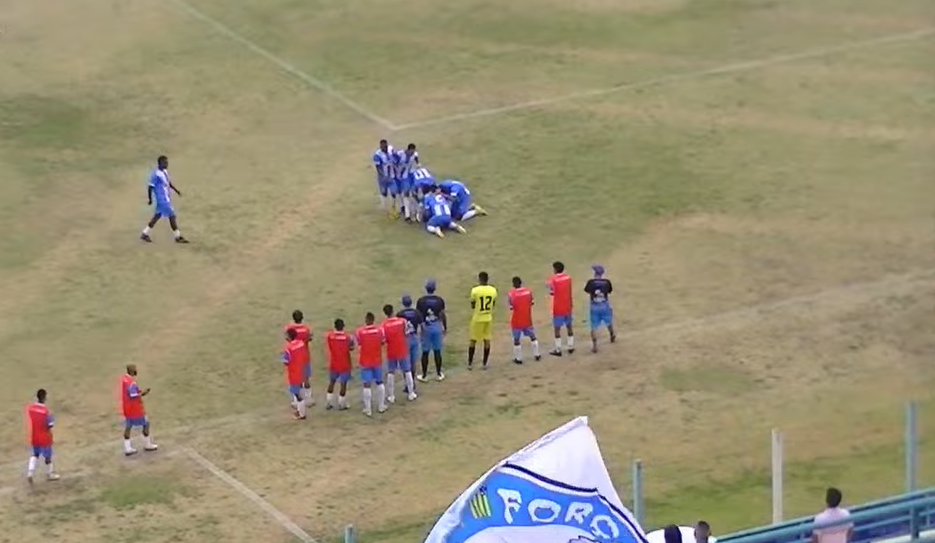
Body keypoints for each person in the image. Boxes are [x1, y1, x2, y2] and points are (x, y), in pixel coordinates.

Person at [140, 155, 189, 243]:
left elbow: (168, 183)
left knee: (157, 216)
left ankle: (144, 233)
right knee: (172, 216)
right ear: (160, 163)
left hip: (166, 198)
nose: (167, 164)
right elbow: (150, 187)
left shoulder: (165, 172)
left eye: (167, 162)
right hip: (162, 200)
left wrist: (176, 190)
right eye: (165, 163)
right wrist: (150, 199)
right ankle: (177, 237)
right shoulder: (156, 175)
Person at [382, 304, 417, 402]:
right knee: (407, 370)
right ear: (393, 311)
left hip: (391, 350)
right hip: (402, 349)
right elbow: (409, 331)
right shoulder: (402, 321)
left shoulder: (384, 325)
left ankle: (391, 396)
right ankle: (411, 393)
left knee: (391, 372)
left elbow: (383, 340)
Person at [121, 364, 158, 455]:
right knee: (146, 424)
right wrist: (143, 393)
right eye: (135, 369)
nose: (136, 370)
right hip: (136, 409)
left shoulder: (124, 380)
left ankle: (127, 448)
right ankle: (147, 444)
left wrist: (139, 392)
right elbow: (133, 395)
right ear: (132, 371)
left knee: (128, 427)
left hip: (127, 408)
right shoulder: (131, 383)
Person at [355, 312, 388, 417]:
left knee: (366, 385)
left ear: (366, 320)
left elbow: (359, 343)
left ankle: (368, 409)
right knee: (379, 382)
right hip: (377, 360)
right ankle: (381, 406)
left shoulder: (360, 332)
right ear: (373, 320)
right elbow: (383, 342)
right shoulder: (380, 330)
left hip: (365, 361)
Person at [26, 389, 60, 483]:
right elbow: (50, 425)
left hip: (35, 435)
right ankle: (50, 474)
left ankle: (30, 473)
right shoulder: (46, 412)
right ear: (45, 398)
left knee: (35, 454)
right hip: (45, 437)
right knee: (47, 457)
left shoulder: (30, 408)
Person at [417, 280, 448, 382]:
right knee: (437, 351)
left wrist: (419, 327)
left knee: (425, 352)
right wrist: (445, 326)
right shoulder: (439, 300)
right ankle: (439, 374)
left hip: (426, 328)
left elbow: (419, 315)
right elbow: (442, 314)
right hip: (437, 328)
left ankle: (424, 375)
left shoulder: (421, 301)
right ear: (434, 288)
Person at [468, 271, 498, 370]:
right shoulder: (493, 290)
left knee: (473, 340)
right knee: (487, 340)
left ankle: (470, 363)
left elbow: (472, 305)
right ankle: (484, 363)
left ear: (479, 279)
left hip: (477, 318)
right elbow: (493, 304)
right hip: (488, 317)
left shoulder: (475, 290)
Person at [583, 265, 616, 353]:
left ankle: (595, 346)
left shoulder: (591, 282)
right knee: (608, 321)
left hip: (594, 306)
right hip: (604, 305)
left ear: (595, 273)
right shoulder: (607, 282)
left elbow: (587, 291)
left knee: (593, 326)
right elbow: (609, 291)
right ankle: (612, 335)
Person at [285, 310, 314, 406]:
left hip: (294, 358)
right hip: (305, 356)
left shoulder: (290, 328)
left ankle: (296, 400)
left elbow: (288, 338)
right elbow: (309, 338)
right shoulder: (306, 329)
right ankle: (308, 399)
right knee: (306, 378)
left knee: (296, 379)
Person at [508, 276, 540, 364]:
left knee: (517, 339)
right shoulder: (528, 292)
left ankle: (518, 359)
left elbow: (511, 307)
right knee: (532, 336)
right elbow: (532, 302)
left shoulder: (512, 294)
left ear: (514, 284)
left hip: (517, 320)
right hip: (527, 318)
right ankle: (537, 354)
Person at [325, 319, 354, 411]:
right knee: (343, 384)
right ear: (343, 326)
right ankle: (342, 404)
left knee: (332, 382)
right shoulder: (347, 337)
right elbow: (351, 347)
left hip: (334, 362)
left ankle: (329, 402)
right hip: (345, 363)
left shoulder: (330, 336)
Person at [396, 295, 423, 394]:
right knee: (413, 362)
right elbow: (421, 325)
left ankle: (408, 383)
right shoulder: (416, 313)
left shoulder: (400, 314)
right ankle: (412, 382)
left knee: (405, 363)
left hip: (405, 339)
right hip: (414, 337)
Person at [547, 261, 575, 356]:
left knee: (557, 328)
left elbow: (552, 292)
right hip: (568, 305)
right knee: (569, 326)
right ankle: (571, 346)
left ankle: (558, 349)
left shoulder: (553, 280)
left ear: (555, 269)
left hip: (558, 307)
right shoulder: (568, 278)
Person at [281, 328, 309, 420]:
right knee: (300, 389)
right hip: (302, 370)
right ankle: (299, 410)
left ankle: (302, 414)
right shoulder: (301, 343)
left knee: (297, 394)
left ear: (289, 337)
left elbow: (286, 361)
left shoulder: (288, 348)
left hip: (294, 373)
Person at [394, 143, 419, 222]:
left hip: (410, 175)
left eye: (413, 151)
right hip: (401, 177)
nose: (412, 153)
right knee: (405, 193)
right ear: (408, 150)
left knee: (414, 193)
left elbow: (416, 156)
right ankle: (407, 215)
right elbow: (393, 161)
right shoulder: (400, 154)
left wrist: (418, 163)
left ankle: (415, 213)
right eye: (411, 151)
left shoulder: (414, 154)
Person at [373, 139, 397, 217]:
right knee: (384, 193)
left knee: (393, 192)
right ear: (380, 146)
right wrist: (383, 176)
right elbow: (378, 167)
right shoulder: (377, 155)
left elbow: (395, 157)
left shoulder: (391, 149)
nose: (384, 148)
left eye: (385, 146)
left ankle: (393, 207)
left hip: (392, 175)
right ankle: (384, 208)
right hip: (383, 177)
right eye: (382, 147)